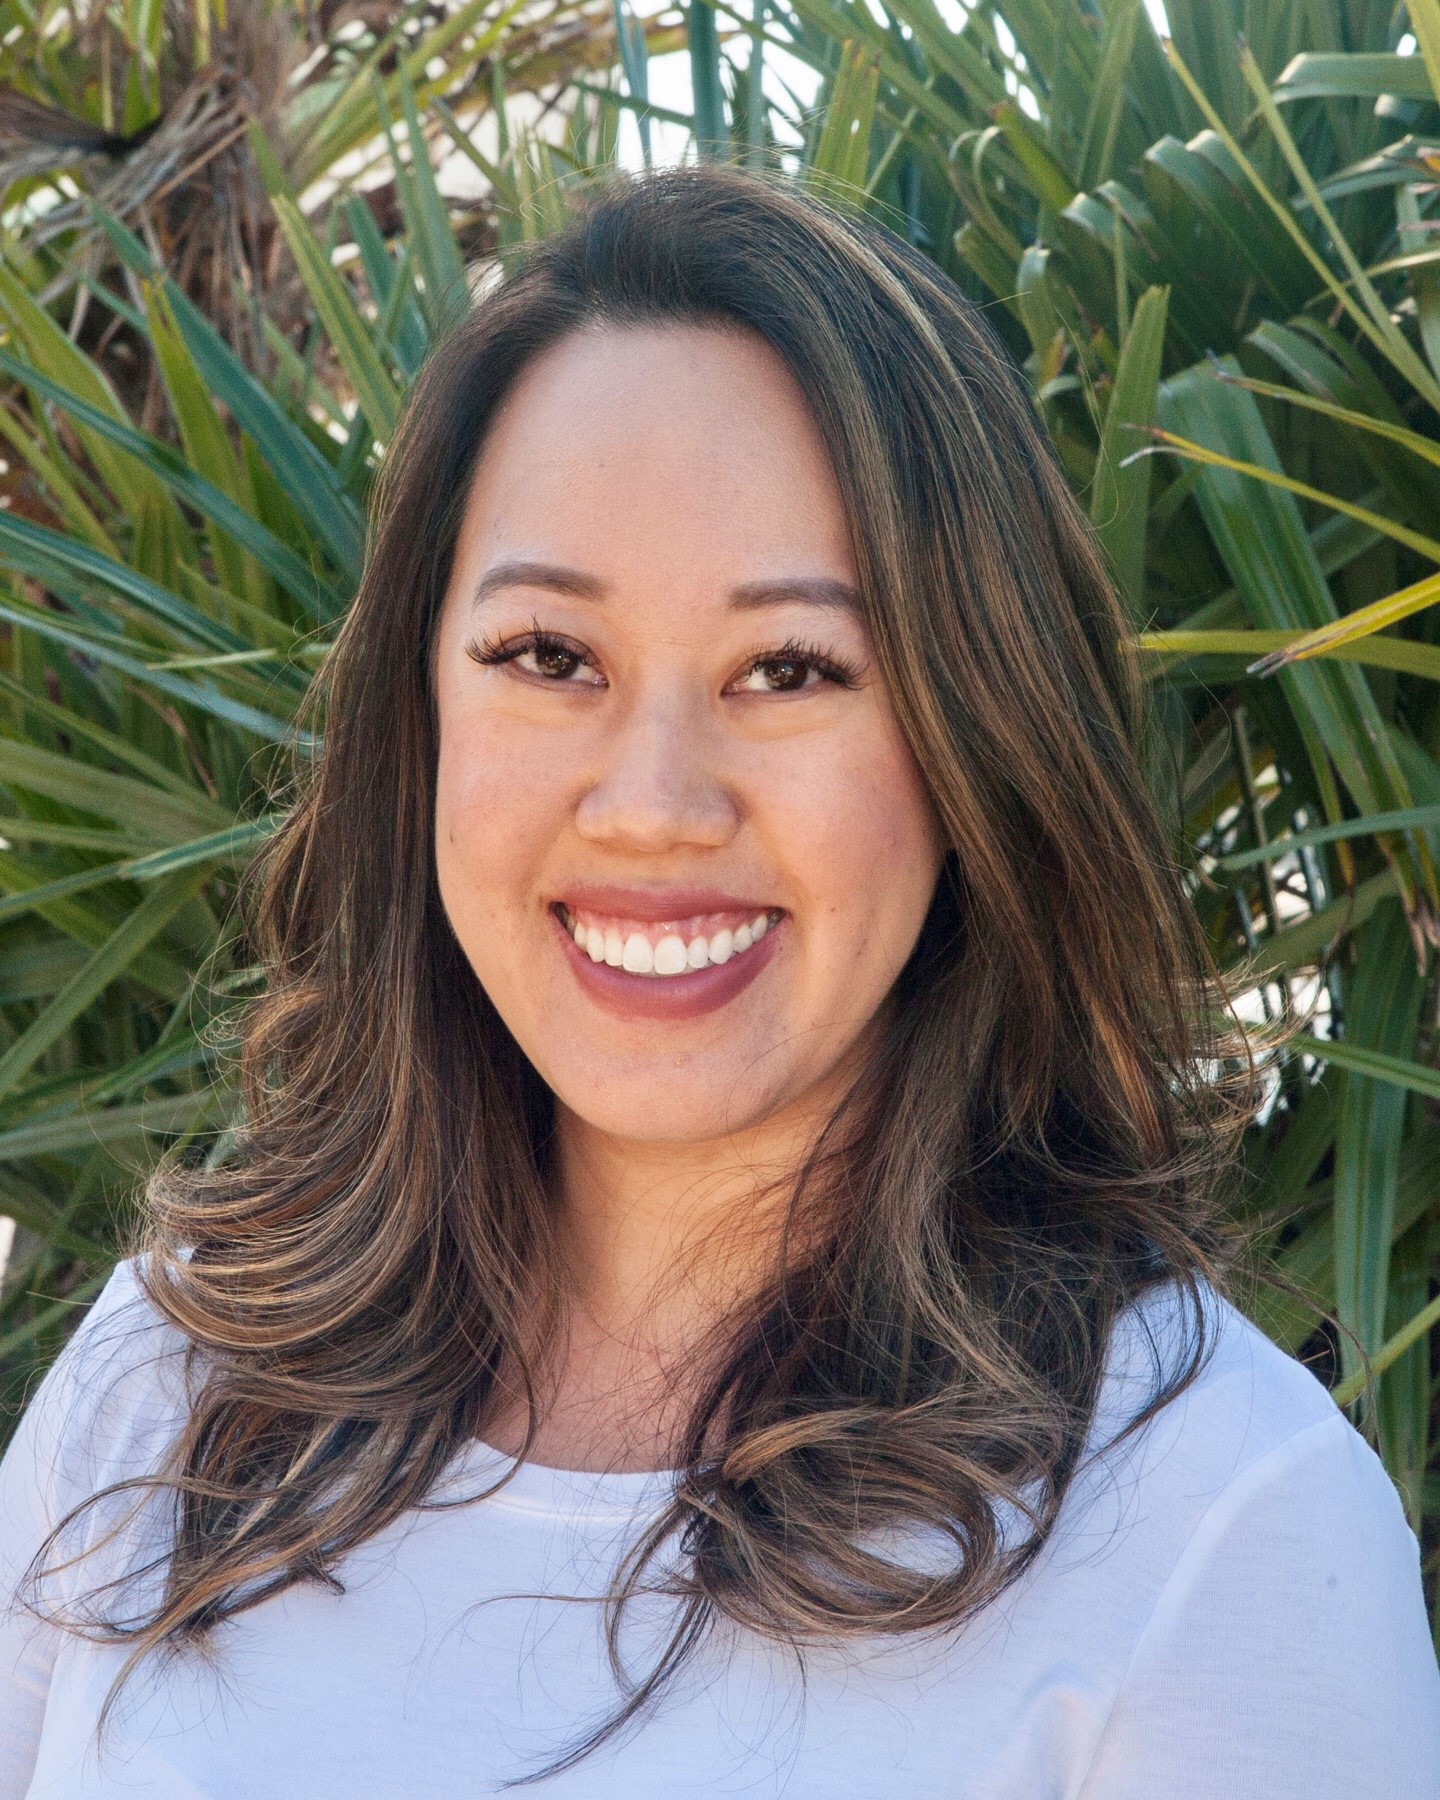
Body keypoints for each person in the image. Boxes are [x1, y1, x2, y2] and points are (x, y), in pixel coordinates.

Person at [1, 166, 1436, 1799]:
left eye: (791, 670)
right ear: (426, 714)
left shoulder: (1215, 1530)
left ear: (973, 746)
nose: (653, 804)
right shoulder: (172, 1383)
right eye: (551, 657)